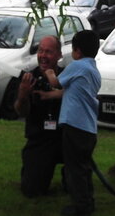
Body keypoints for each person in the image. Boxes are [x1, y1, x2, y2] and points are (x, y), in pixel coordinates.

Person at [40, 30, 101, 216]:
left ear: (78, 51)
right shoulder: (93, 70)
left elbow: (57, 83)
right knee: (83, 168)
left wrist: (49, 73)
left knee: (75, 170)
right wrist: (48, 96)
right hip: (89, 130)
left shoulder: (78, 66)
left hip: (75, 127)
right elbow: (71, 91)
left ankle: (80, 208)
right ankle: (87, 203)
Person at [14, 35, 65, 197]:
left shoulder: (67, 76)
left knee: (74, 187)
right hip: (39, 139)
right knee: (32, 191)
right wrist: (23, 95)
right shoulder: (30, 78)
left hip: (65, 138)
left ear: (59, 55)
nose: (43, 55)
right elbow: (21, 112)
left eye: (48, 52)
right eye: (40, 51)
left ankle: (70, 176)